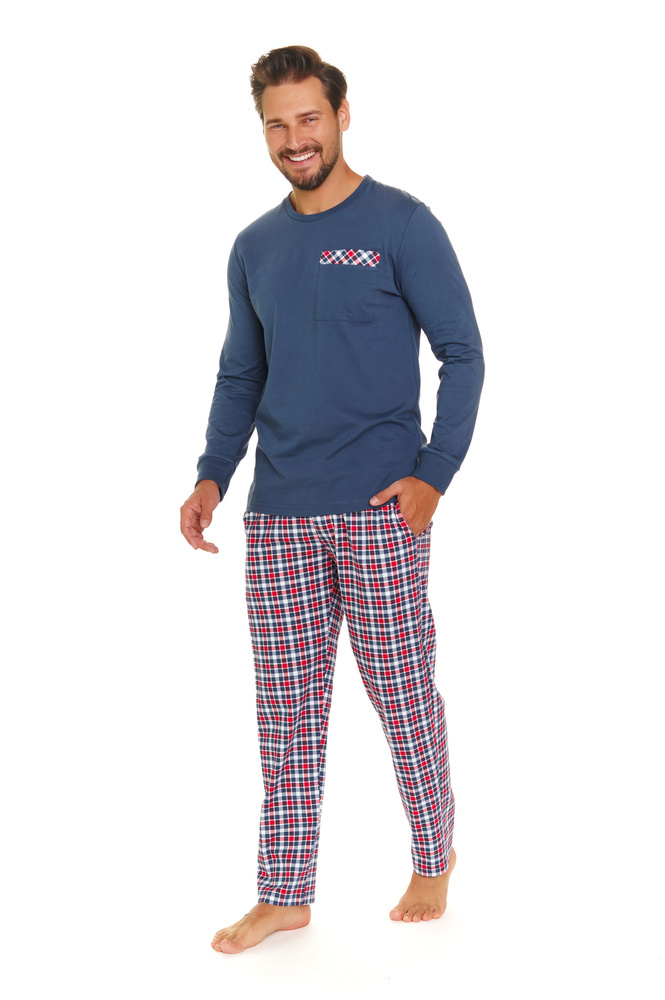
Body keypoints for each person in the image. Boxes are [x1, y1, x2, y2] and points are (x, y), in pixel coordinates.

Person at [179, 45, 485, 955]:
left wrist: (435, 474)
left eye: (308, 118)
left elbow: (463, 354)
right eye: (276, 124)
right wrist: (211, 473)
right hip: (277, 514)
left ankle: (433, 856)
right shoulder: (254, 246)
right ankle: (284, 893)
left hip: (381, 510)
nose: (294, 139)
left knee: (401, 692)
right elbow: (241, 373)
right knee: (286, 712)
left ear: (342, 115)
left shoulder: (402, 224)